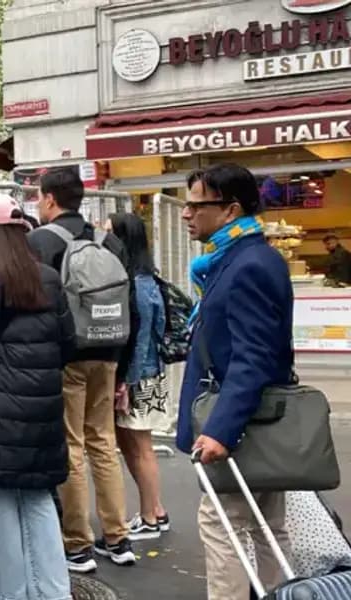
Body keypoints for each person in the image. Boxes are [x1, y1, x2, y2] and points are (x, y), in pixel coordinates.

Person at [0, 193, 76, 600]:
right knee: (39, 499)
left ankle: (10, 590)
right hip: (42, 408)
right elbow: (68, 343)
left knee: (2, 503)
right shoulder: (49, 278)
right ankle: (54, 591)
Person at [179, 164, 294, 600]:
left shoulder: (248, 265)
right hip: (253, 421)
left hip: (242, 425)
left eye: (195, 205)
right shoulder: (237, 259)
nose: (186, 214)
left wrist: (221, 430)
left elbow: (254, 356)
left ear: (229, 210)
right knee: (265, 527)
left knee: (222, 523)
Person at [27, 167, 135, 571]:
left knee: (71, 446)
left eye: (39, 197)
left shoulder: (40, 241)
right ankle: (118, 537)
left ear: (51, 199)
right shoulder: (109, 241)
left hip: (66, 355)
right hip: (109, 351)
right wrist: (122, 366)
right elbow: (131, 303)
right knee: (103, 442)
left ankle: (77, 544)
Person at [108, 213, 170, 541]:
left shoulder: (138, 284)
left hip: (139, 377)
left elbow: (143, 336)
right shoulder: (146, 279)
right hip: (145, 374)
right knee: (131, 443)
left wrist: (127, 383)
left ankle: (149, 517)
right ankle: (155, 509)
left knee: (141, 446)